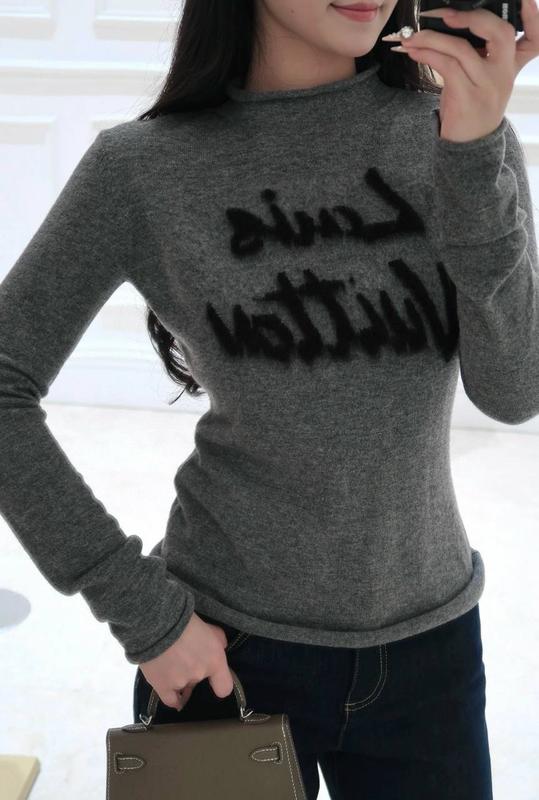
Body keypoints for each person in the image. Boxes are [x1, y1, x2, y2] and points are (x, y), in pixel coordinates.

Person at [1, 1, 538, 797]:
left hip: (428, 647)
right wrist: (144, 614)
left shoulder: (456, 134)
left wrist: (473, 151)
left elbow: (512, 391)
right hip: (223, 652)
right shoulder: (142, 167)